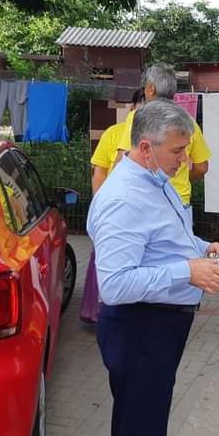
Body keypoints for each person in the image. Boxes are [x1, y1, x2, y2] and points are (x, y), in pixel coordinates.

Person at [88, 99, 219, 436]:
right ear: (145, 148)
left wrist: (202, 247)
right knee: (141, 426)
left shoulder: (155, 180)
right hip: (140, 328)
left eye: (185, 150)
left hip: (158, 325)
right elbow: (115, 286)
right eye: (177, 151)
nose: (185, 160)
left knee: (142, 420)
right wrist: (187, 271)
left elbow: (166, 235)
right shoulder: (124, 199)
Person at [79, 90, 145, 324]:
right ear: (132, 108)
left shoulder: (156, 138)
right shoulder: (114, 133)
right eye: (141, 106)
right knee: (103, 259)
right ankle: (94, 311)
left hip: (138, 213)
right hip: (112, 210)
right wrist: (100, 206)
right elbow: (99, 171)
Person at [114, 65, 210, 217]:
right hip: (179, 203)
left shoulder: (138, 118)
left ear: (150, 89)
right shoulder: (188, 121)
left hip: (145, 201)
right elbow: (202, 167)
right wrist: (182, 179)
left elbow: (122, 160)